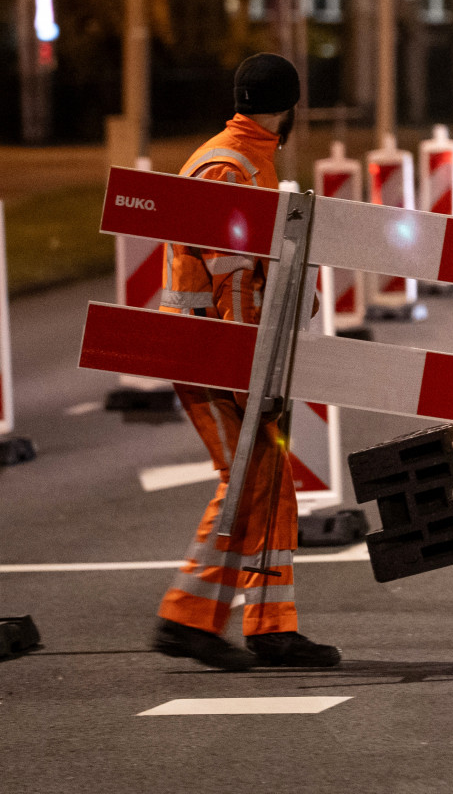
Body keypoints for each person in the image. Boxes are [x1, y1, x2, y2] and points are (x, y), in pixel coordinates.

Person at [149, 53, 340, 671]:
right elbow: (235, 284)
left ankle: (271, 627)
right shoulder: (230, 169)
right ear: (290, 109)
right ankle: (185, 618)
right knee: (248, 479)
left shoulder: (241, 159)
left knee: (268, 480)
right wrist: (250, 379)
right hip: (211, 355)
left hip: (219, 351)